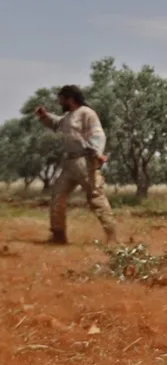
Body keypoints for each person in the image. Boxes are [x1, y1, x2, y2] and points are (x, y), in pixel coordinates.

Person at [34, 85, 117, 245]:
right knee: (57, 196)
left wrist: (98, 153)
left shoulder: (87, 113)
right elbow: (57, 123)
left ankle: (112, 237)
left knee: (96, 197)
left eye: (61, 99)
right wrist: (44, 116)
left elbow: (98, 133)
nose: (60, 102)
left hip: (85, 161)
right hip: (70, 163)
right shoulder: (69, 116)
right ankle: (58, 235)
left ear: (70, 99)